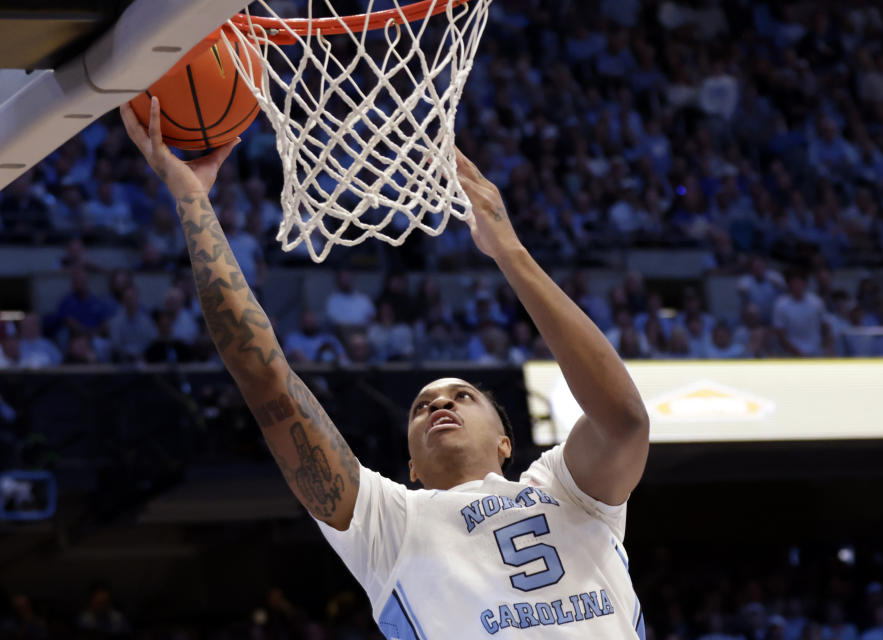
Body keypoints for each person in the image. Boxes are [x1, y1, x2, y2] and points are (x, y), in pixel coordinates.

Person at [121, 97, 650, 638]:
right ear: (411, 468)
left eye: (462, 396)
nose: (439, 404)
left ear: (506, 443)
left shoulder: (566, 488)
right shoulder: (388, 523)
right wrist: (192, 200)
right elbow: (265, 377)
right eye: (422, 407)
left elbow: (625, 420)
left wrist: (508, 249)